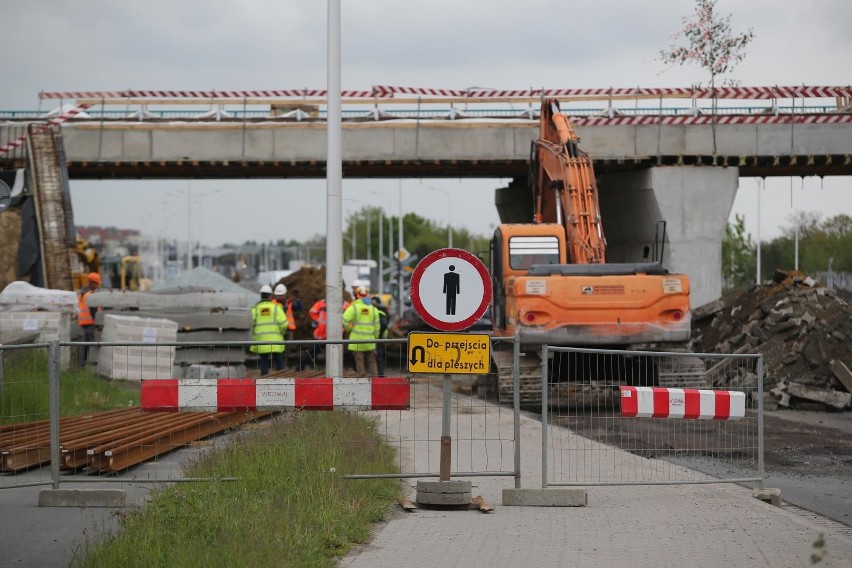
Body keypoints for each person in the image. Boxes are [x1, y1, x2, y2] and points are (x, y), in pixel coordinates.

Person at [251, 284, 289, 376]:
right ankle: (283, 383)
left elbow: (251, 325)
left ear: (261, 295)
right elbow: (284, 324)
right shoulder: (276, 308)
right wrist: (281, 333)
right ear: (270, 296)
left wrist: (254, 336)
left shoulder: (255, 309)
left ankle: (264, 383)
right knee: (280, 364)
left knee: (264, 364)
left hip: (261, 341)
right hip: (276, 341)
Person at [342, 286, 380, 376]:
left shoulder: (354, 308)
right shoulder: (373, 309)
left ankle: (362, 382)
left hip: (357, 341)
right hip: (370, 341)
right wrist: (376, 338)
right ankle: (376, 383)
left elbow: (344, 321)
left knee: (359, 364)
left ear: (357, 296)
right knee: (372, 363)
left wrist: (349, 329)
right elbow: (377, 327)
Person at [77, 272, 101, 368]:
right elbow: (93, 310)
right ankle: (90, 366)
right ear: (92, 283)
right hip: (91, 322)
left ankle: (81, 365)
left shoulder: (82, 293)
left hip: (83, 322)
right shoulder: (91, 294)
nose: (97, 285)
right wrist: (98, 322)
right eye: (96, 283)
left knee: (85, 345)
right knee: (93, 345)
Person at [371, 295, 389, 376]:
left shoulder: (379, 313)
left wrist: (377, 335)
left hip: (377, 339)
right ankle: (379, 375)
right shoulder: (381, 312)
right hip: (377, 338)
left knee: (378, 358)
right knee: (377, 358)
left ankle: (379, 375)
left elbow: (383, 326)